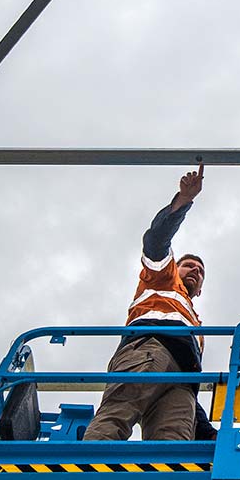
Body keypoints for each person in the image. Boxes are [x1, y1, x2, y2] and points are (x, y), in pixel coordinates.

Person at [84, 166, 210, 441]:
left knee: (174, 443)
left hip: (182, 380)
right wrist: (184, 200)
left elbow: (190, 368)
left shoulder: (196, 327)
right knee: (116, 415)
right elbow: (155, 241)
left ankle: (168, 473)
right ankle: (88, 466)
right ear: (174, 268)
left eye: (200, 271)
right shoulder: (161, 279)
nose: (195, 270)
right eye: (188, 265)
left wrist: (207, 430)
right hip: (149, 348)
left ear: (200, 290)